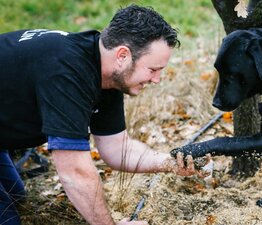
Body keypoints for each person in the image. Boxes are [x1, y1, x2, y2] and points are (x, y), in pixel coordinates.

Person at [0, 4, 199, 225]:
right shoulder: (67, 71)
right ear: (123, 55)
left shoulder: (106, 73)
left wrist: (170, 162)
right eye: (153, 69)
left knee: (16, 197)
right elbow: (74, 172)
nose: (157, 79)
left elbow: (117, 148)